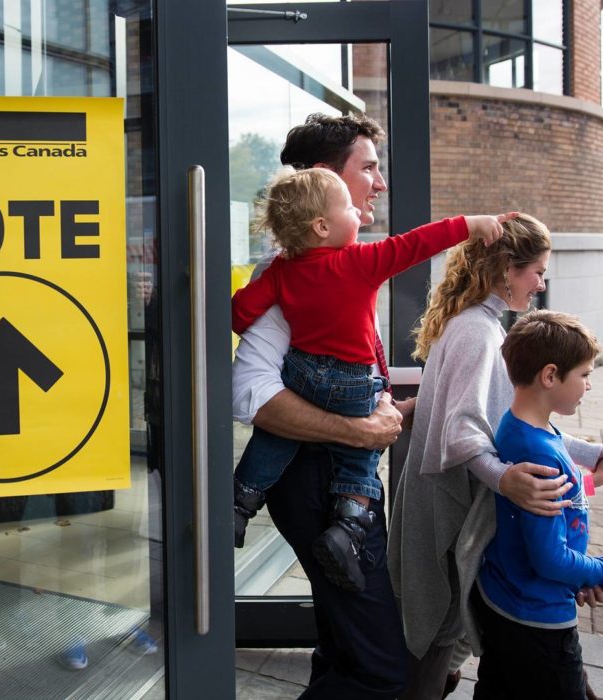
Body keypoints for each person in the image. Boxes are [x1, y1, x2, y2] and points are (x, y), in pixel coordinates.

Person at [231, 113, 566, 699]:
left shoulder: (328, 264)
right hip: (313, 477)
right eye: (368, 168)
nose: (379, 185)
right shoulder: (289, 271)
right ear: (323, 183)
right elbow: (253, 396)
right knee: (383, 667)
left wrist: (396, 406)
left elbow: (338, 366)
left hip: (339, 472)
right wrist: (361, 430)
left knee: (343, 641)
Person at [232, 164, 508, 593]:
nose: (360, 215)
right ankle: (348, 524)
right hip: (354, 382)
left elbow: (240, 314)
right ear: (322, 226)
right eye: (349, 207)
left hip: (301, 375)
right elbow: (417, 243)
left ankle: (242, 500)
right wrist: (473, 225)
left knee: (274, 438)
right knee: (362, 450)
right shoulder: (360, 261)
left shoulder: (281, 272)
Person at [387, 214, 603, 700]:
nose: (542, 282)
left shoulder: (474, 324)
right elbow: (464, 433)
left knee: (452, 653)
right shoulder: (476, 333)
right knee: (436, 655)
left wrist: (591, 453)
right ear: (507, 269)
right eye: (537, 271)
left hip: (458, 522)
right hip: (451, 523)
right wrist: (504, 480)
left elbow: (507, 421)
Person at [473, 309, 602, 699]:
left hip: (504, 600)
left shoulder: (521, 425)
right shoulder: (539, 454)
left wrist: (584, 575)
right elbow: (549, 560)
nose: (589, 386)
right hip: (537, 617)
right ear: (549, 376)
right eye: (584, 375)